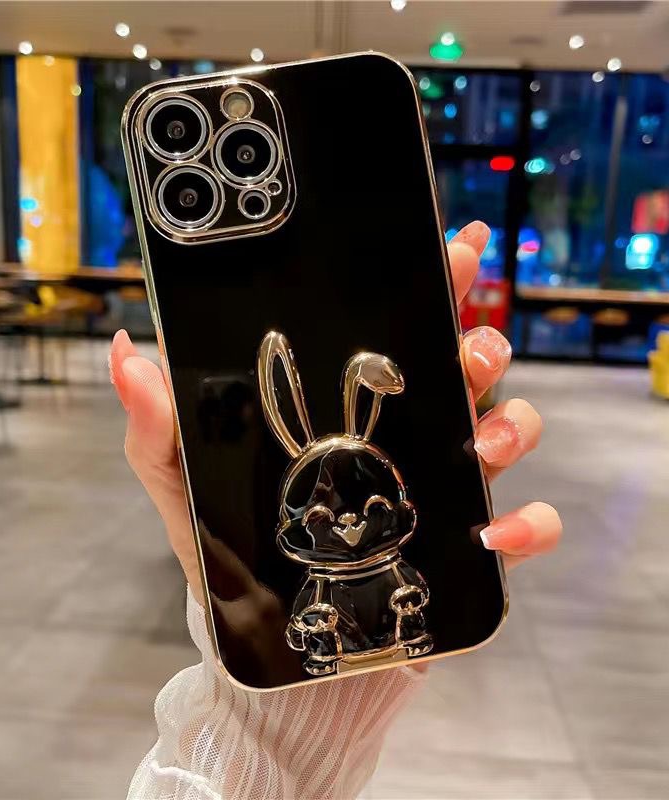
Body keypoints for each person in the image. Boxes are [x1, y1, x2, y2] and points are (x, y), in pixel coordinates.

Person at [109, 221, 562, 800]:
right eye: (320, 519)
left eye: (372, 507)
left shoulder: (382, 554)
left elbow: (399, 581)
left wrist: (300, 726)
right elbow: (311, 608)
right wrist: (281, 700)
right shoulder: (317, 576)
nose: (347, 523)